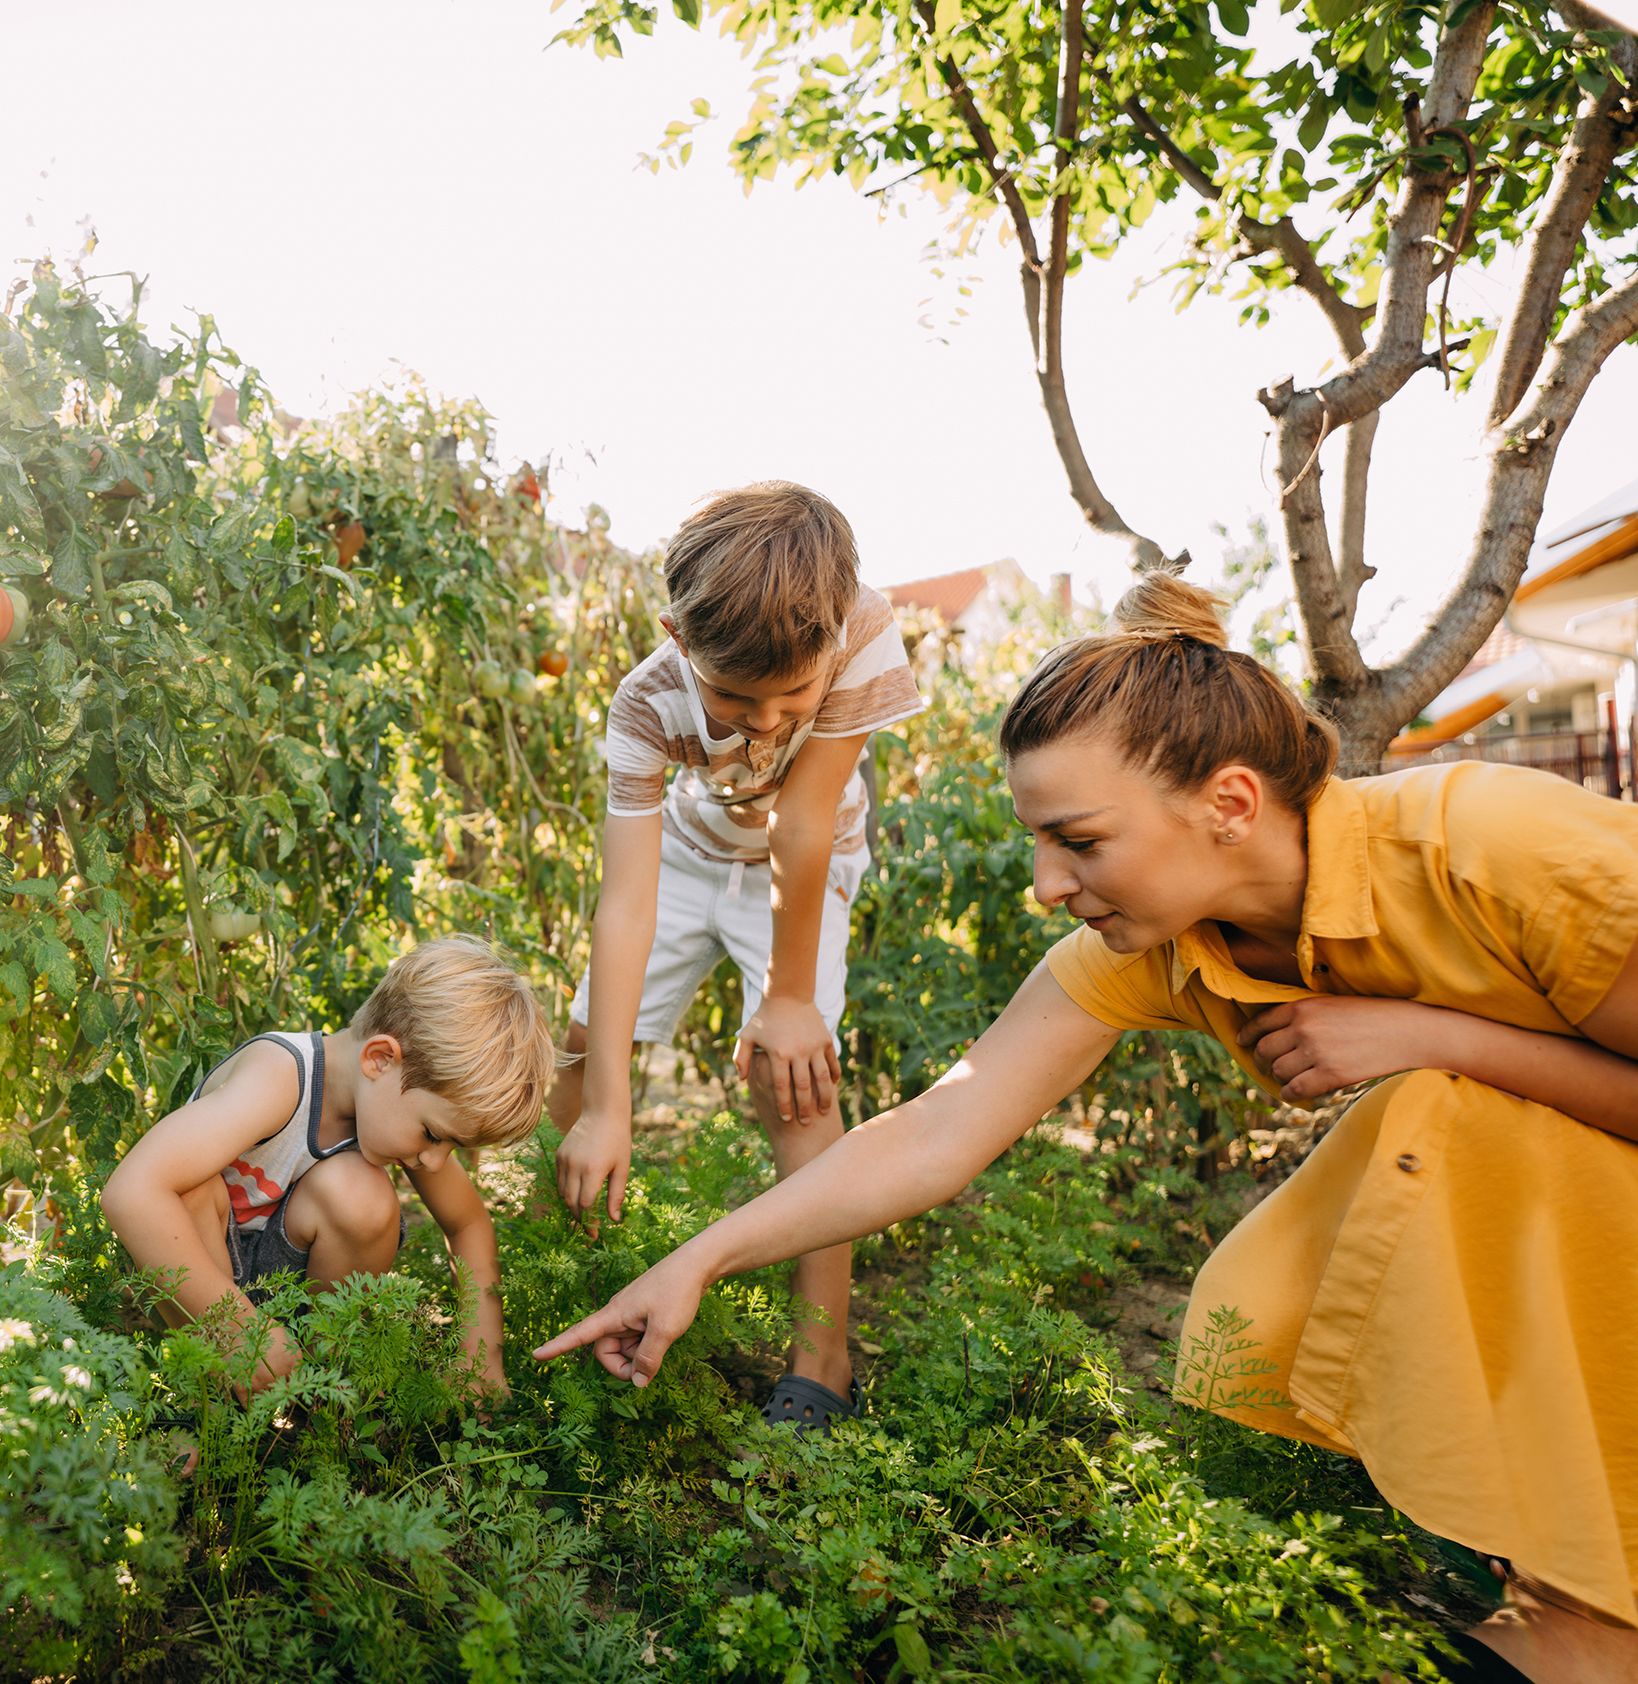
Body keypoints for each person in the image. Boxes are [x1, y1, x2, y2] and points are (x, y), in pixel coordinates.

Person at [537, 576, 1638, 1682]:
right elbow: (940, 1128)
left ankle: (1593, 1616)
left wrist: (1433, 1037)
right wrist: (701, 1258)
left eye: (1078, 840)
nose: (1043, 885)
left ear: (1231, 803)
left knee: (1429, 1119)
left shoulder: (1486, 844)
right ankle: (1550, 1582)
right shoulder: (1154, 945)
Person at [548, 481, 922, 1432]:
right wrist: (607, 1104)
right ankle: (577, 1270)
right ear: (677, 636)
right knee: (583, 1051)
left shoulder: (864, 630)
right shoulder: (644, 707)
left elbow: (804, 819)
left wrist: (789, 1000)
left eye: (788, 696)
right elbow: (628, 901)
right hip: (684, 853)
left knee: (793, 1078)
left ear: (832, 641)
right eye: (731, 696)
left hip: (807, 859)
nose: (761, 721)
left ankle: (822, 1356)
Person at [102, 935, 555, 1400]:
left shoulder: (393, 1106)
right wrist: (235, 1327)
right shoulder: (279, 1078)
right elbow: (132, 1191)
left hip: (276, 1296)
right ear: (380, 1059)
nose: (433, 1160)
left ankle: (311, 1394)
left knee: (361, 1194)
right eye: (435, 1136)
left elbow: (468, 1224)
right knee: (192, 1188)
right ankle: (204, 1403)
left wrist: (481, 1357)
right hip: (196, 1286)